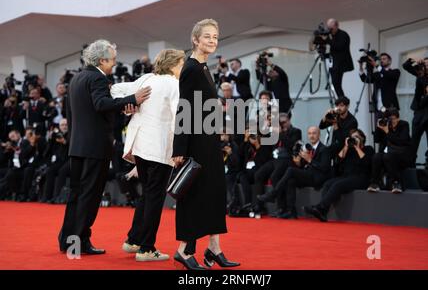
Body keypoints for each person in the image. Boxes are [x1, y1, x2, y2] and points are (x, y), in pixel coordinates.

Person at [58, 39, 151, 255]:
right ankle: (79, 243)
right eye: (113, 60)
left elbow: (85, 111)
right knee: (89, 197)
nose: (114, 64)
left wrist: (121, 107)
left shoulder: (77, 79)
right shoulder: (98, 78)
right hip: (95, 148)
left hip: (77, 146)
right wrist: (133, 98)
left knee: (76, 195)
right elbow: (100, 104)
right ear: (102, 60)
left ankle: (67, 241)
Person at [171, 19, 240, 270]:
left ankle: (214, 248)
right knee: (195, 196)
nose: (212, 41)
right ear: (195, 40)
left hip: (208, 141)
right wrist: (179, 149)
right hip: (195, 143)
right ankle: (183, 250)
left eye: (215, 37)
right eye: (207, 37)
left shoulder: (203, 67)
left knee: (214, 194)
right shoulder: (190, 68)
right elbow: (183, 110)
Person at [111, 49, 185, 262]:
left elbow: (116, 88)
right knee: (154, 197)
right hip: (159, 148)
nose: (183, 68)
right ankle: (146, 248)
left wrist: (129, 103)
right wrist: (180, 148)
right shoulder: (173, 84)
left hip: (139, 145)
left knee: (147, 194)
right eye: (181, 64)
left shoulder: (147, 78)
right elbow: (176, 118)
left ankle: (133, 240)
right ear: (172, 66)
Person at [257, 126, 332, 219]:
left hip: (317, 178)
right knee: (290, 181)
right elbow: (303, 165)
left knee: (291, 170)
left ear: (319, 134)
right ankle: (291, 211)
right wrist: (299, 162)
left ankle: (273, 194)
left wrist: (309, 160)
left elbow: (325, 168)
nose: (311, 136)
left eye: (314, 133)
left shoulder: (324, 149)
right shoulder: (308, 148)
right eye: (309, 133)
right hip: (308, 175)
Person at [304, 129, 374, 222]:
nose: (354, 139)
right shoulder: (349, 150)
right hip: (347, 177)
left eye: (356, 137)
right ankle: (323, 212)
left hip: (361, 178)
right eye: (352, 137)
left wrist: (357, 147)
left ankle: (321, 207)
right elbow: (338, 160)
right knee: (328, 183)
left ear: (362, 138)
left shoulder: (368, 149)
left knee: (338, 185)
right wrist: (346, 146)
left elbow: (366, 162)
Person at [368, 107, 411, 193]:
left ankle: (396, 183)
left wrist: (387, 131)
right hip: (387, 154)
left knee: (388, 156)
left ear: (398, 118)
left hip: (401, 155)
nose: (392, 121)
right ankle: (375, 183)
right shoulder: (386, 125)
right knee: (376, 156)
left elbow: (401, 141)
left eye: (393, 119)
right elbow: (376, 140)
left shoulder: (404, 125)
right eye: (389, 119)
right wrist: (378, 127)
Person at [325, 18, 354, 98]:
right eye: (328, 28)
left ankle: (342, 102)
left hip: (341, 63)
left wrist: (328, 40)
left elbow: (339, 47)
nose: (330, 30)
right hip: (334, 63)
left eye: (331, 28)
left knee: (336, 83)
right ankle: (341, 101)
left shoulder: (343, 35)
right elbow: (332, 50)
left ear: (337, 26)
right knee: (335, 84)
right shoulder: (331, 36)